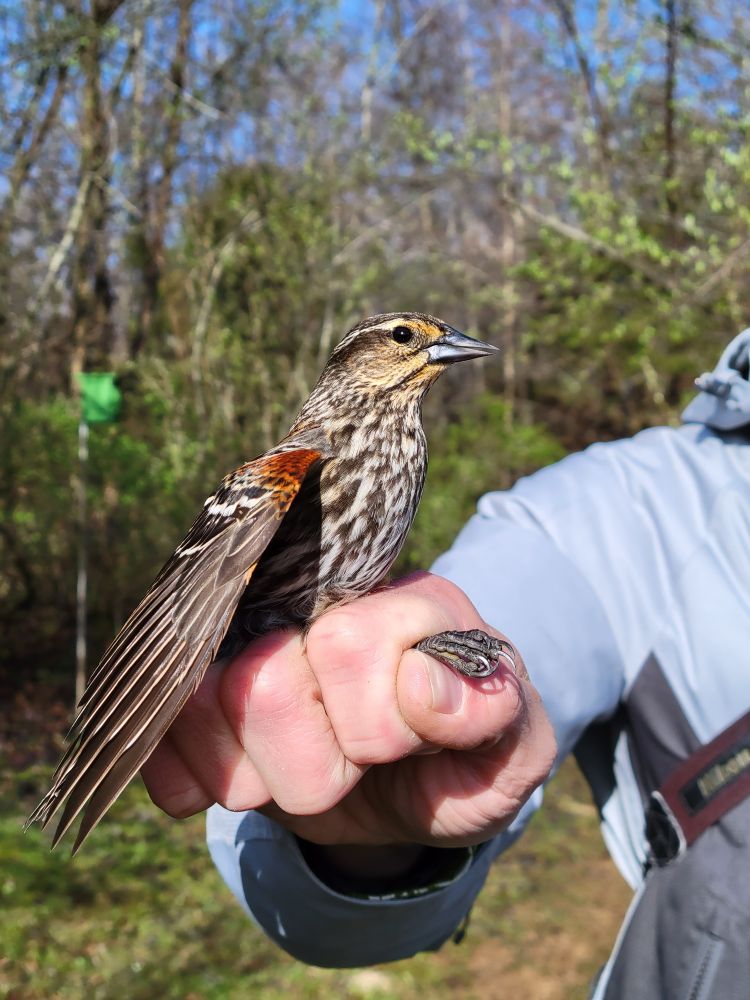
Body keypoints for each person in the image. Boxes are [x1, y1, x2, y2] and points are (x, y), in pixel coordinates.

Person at [141, 332, 750, 999]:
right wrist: (393, 792)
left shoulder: (405, 446)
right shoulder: (629, 503)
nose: (437, 348)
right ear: (354, 362)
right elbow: (509, 630)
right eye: (404, 339)